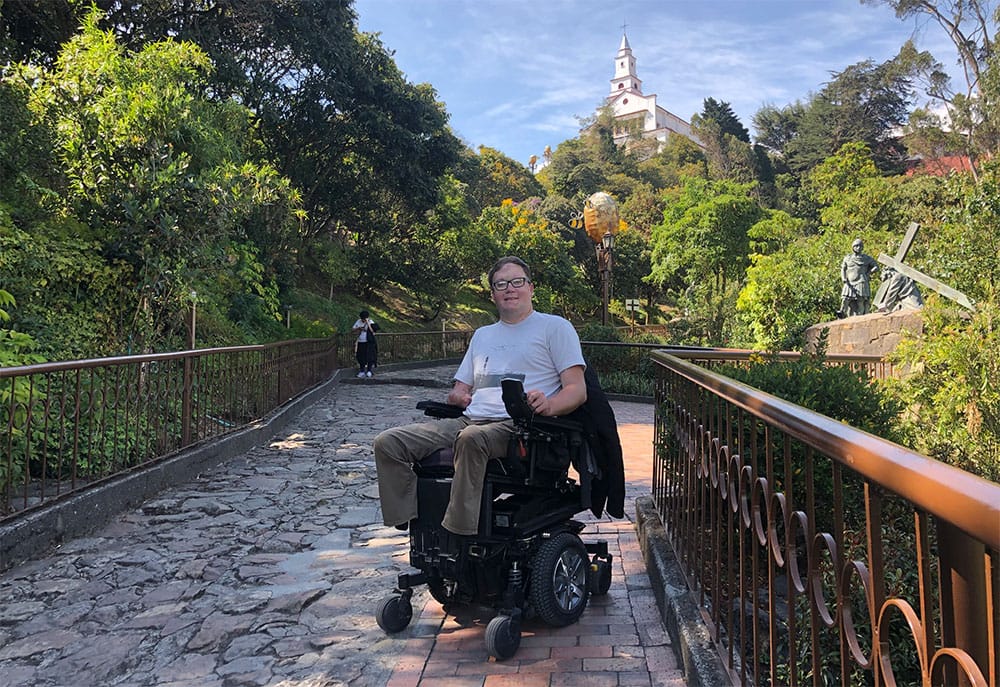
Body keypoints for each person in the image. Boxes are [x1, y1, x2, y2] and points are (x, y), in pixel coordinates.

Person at [373, 256, 587, 536]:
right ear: (493, 294)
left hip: (521, 427)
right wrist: (458, 396)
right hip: (470, 420)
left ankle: (456, 532)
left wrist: (548, 405)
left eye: (517, 282)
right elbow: (461, 387)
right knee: (388, 443)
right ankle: (414, 520)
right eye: (501, 284)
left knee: (471, 439)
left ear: (531, 288)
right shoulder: (482, 335)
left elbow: (577, 390)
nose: (510, 288)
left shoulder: (555, 328)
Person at [838, 238, 879, 318]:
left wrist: (868, 273)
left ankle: (861, 317)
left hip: (861, 281)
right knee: (845, 298)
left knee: (861, 300)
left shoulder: (866, 258)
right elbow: (843, 269)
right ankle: (842, 313)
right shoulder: (847, 258)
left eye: (860, 246)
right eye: (856, 246)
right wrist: (843, 278)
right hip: (849, 282)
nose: (858, 248)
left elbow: (876, 266)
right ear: (853, 247)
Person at [352, 310, 378, 378]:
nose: (362, 320)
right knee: (361, 357)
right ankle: (362, 371)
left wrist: (367, 323)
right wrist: (359, 328)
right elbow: (353, 329)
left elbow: (373, 331)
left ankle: (369, 370)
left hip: (368, 342)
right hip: (361, 341)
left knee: (369, 357)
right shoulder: (358, 321)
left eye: (363, 319)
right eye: (362, 319)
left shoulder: (370, 322)